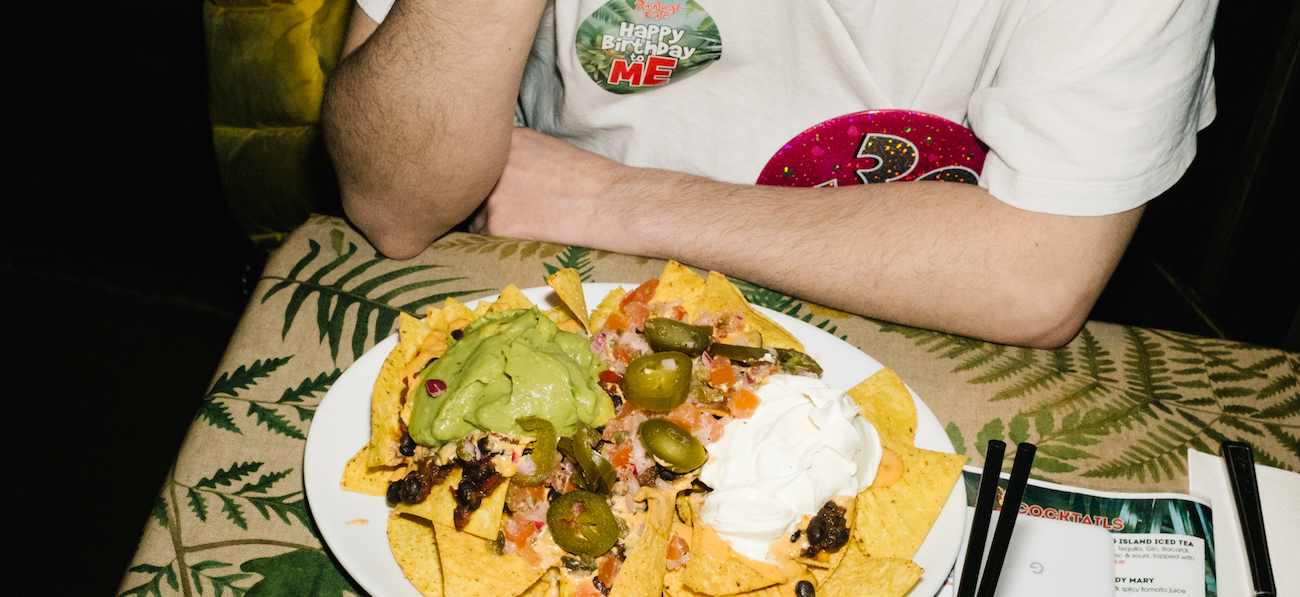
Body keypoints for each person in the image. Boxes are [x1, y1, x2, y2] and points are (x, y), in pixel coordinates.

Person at [320, 1, 1218, 348]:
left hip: (901, 338)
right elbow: (392, 205)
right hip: (559, 300)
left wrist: (613, 197)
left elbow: (1036, 276)